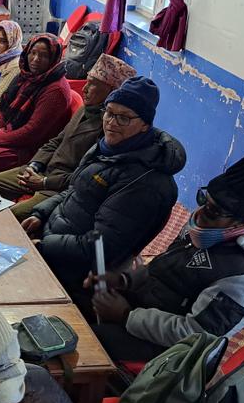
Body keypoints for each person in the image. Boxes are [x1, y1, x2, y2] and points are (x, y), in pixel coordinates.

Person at [86, 149, 244, 362]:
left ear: (242, 224)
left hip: (173, 353)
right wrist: (125, 280)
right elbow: (166, 270)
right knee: (77, 297)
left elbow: (194, 335)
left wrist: (126, 316)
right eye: (203, 199)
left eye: (213, 211)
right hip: (147, 310)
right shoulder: (207, 226)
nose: (200, 214)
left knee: (84, 341)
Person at [20, 77, 187, 294]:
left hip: (76, 271)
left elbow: (101, 245)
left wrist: (45, 246)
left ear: (145, 124)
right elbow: (76, 190)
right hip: (55, 240)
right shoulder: (108, 148)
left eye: (124, 118)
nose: (111, 122)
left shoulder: (145, 181)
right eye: (109, 112)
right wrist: (41, 214)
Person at [0, 53, 137, 219]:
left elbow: (84, 177)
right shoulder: (85, 109)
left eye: (93, 85)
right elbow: (56, 142)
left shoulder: (109, 128)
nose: (85, 89)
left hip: (58, 187)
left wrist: (44, 182)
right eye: (87, 81)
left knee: (12, 216)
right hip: (43, 170)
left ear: (111, 91)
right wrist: (35, 165)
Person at [0, 34, 72, 175]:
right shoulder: (26, 76)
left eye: (43, 56)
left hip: (28, 150)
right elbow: (4, 111)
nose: (36, 59)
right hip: (8, 137)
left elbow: (32, 132)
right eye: (33, 53)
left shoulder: (56, 91)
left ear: (53, 59)